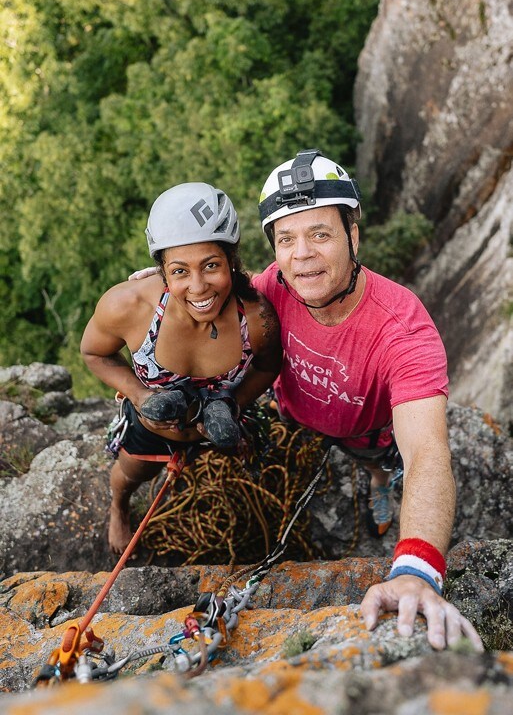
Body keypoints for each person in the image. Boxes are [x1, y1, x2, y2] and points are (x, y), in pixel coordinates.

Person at [129, 150, 483, 653]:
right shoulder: (272, 287)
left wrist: (417, 570)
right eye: (286, 239)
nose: (302, 255)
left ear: (352, 236)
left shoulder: (402, 329)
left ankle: (380, 481)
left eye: (320, 234)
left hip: (367, 430)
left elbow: (426, 450)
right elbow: (207, 287)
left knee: (382, 460)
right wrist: (160, 288)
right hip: (292, 414)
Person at [81, 182, 282, 555]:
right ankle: (119, 507)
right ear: (160, 269)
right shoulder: (129, 307)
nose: (198, 287)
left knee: (249, 461)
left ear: (232, 260)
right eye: (179, 271)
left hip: (222, 425)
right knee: (130, 474)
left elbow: (270, 365)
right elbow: (95, 353)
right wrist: (141, 397)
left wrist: (234, 403)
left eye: (211, 266)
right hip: (152, 427)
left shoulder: (256, 316)